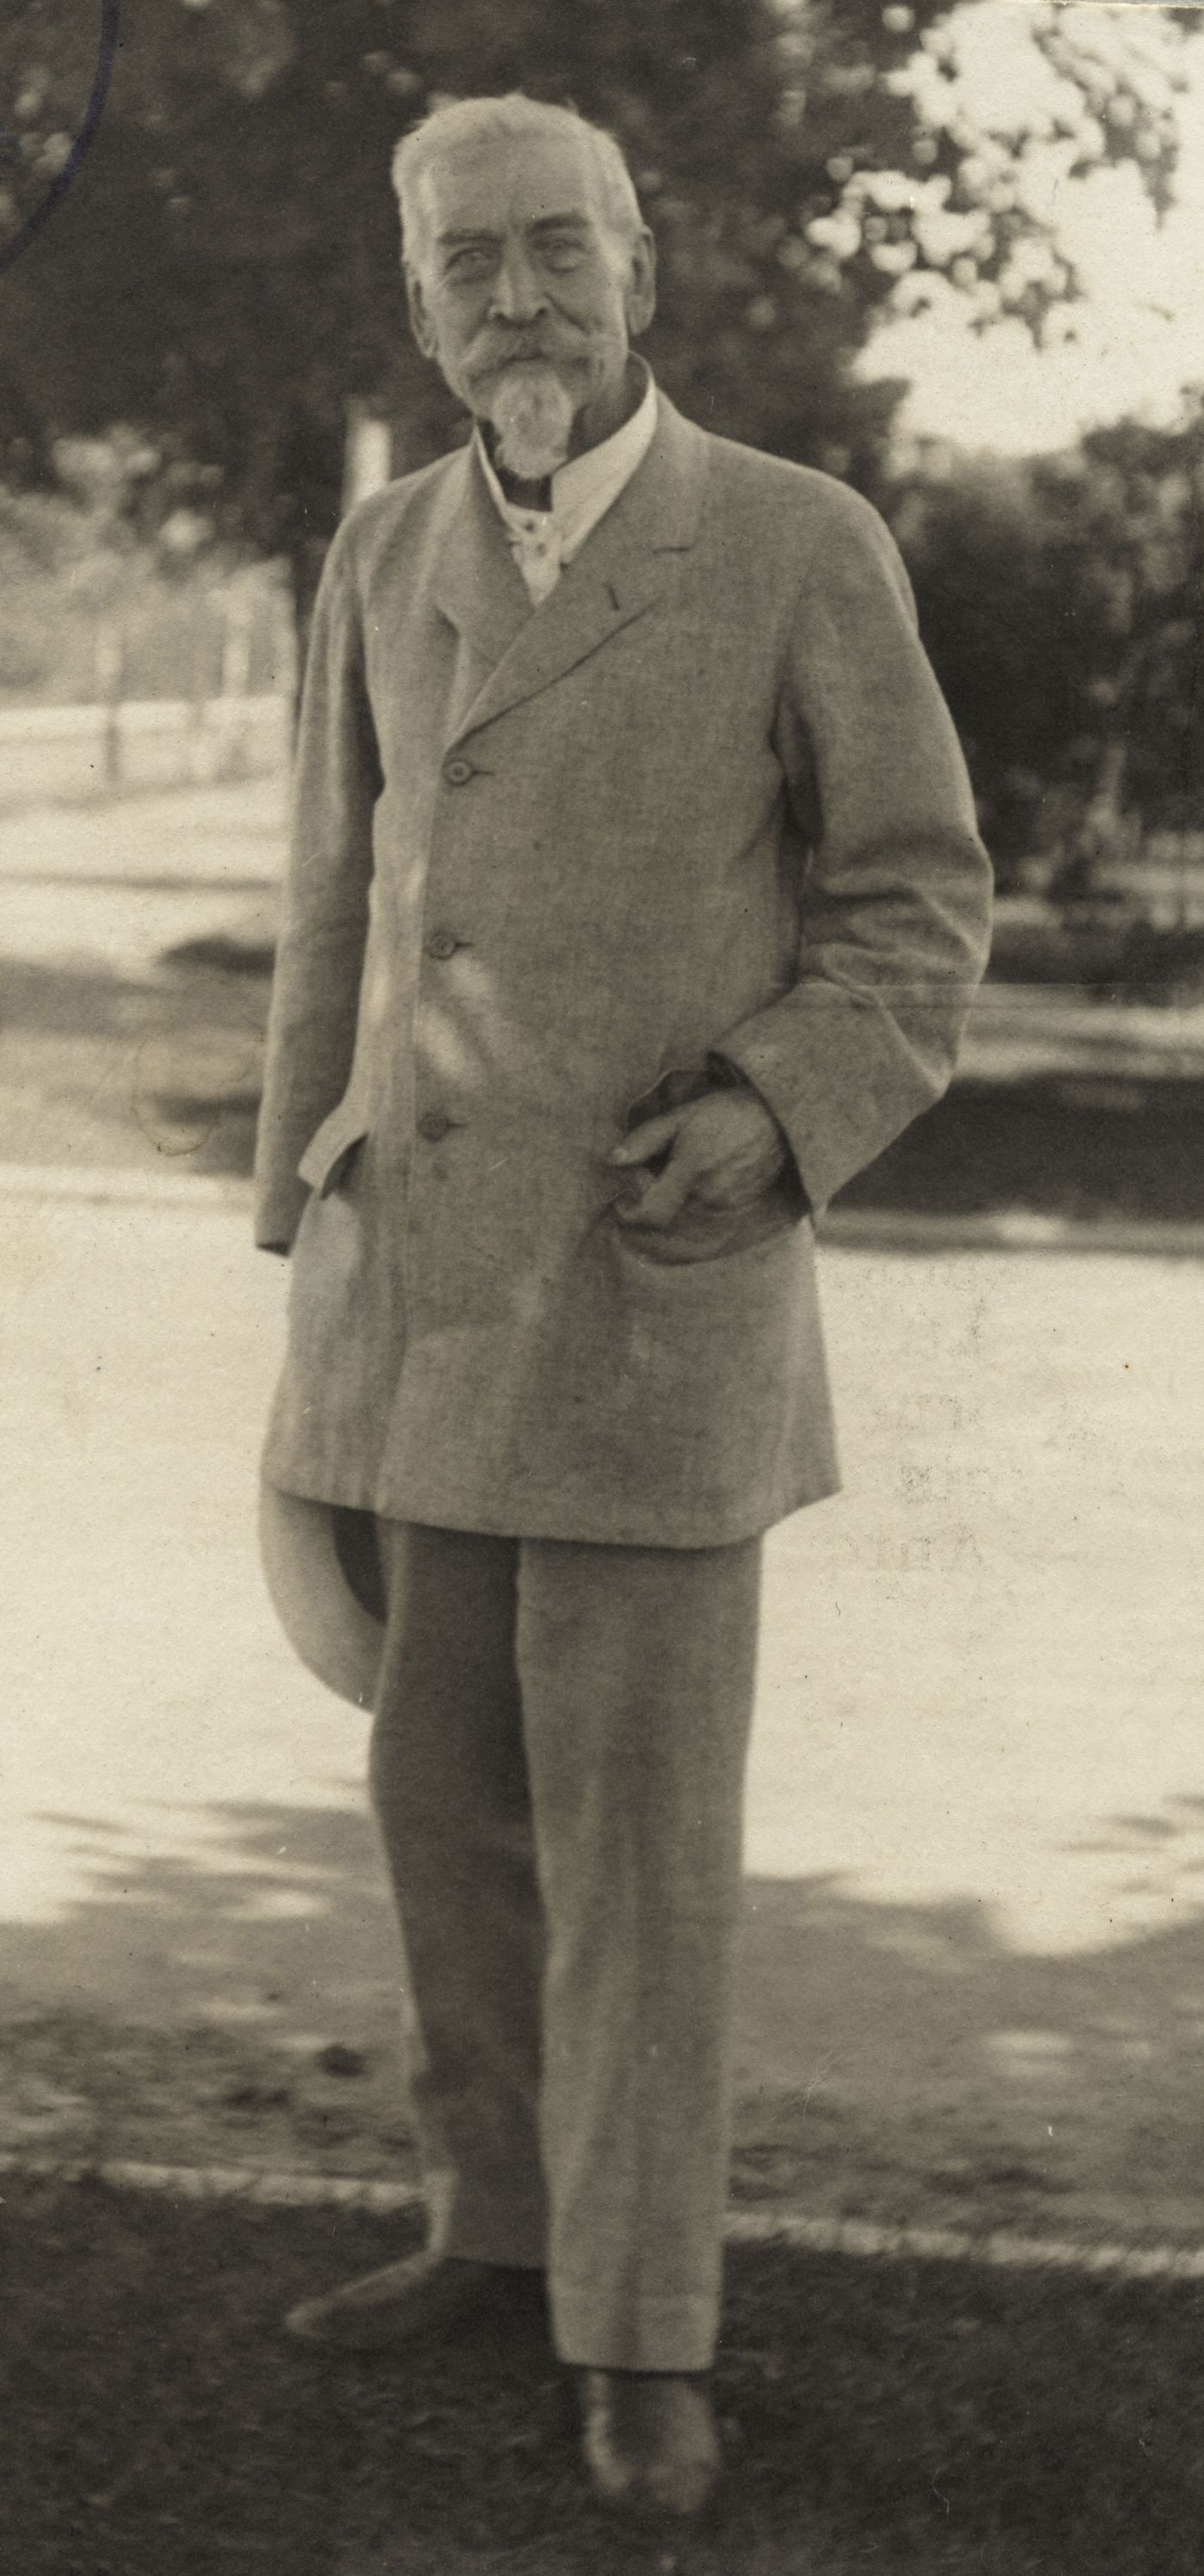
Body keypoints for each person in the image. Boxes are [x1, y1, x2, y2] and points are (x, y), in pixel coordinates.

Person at [254, 91, 992, 2523]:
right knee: (441, 1803)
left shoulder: (791, 542)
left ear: (643, 270)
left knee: (643, 1854)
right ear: (420, 304)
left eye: (560, 249)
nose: (520, 299)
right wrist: (296, 1241)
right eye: (470, 263)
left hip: (657, 1287)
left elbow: (917, 898)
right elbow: (336, 911)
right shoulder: (382, 549)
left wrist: (781, 1109)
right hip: (419, 1301)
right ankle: (494, 2231)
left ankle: (645, 2335)